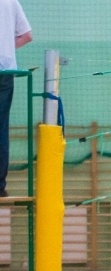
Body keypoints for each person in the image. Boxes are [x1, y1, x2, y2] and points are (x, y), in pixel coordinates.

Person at [0, 0, 32, 198]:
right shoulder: (11, 2)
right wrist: (6, 49)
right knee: (1, 128)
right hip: (5, 71)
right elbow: (27, 35)